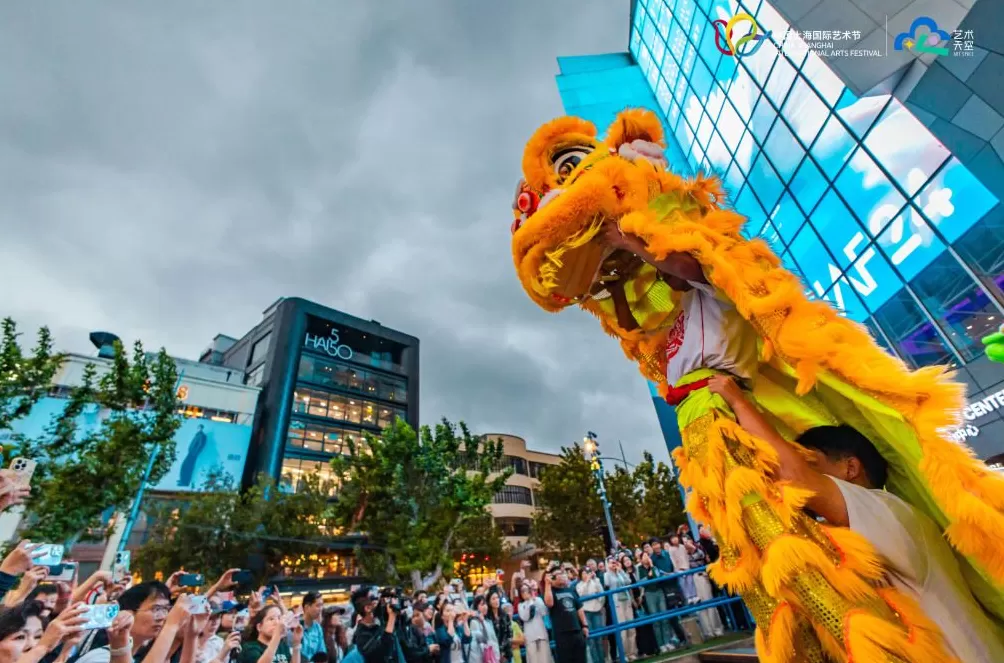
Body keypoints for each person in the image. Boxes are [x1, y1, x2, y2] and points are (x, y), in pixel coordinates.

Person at [709, 374, 1004, 663]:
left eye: (812, 463)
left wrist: (738, 402)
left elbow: (793, 477)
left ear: (850, 468)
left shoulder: (883, 508)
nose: (800, 480)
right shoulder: (865, 524)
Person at [541, 568, 587, 663]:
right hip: (562, 634)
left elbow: (579, 608)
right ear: (553, 577)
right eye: (558, 574)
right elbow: (549, 603)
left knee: (581, 659)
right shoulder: (550, 591)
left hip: (577, 631)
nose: (562, 575)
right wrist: (548, 584)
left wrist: (585, 625)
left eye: (562, 573)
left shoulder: (570, 590)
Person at [637, 553, 676, 654]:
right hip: (649, 594)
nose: (647, 558)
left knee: (665, 617)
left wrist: (652, 566)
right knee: (656, 620)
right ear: (640, 560)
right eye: (644, 557)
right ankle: (661, 644)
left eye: (647, 556)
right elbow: (641, 581)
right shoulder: (640, 569)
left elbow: (658, 575)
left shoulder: (654, 566)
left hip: (659, 591)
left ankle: (667, 642)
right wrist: (649, 575)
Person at [350, 589, 400, 663]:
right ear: (367, 608)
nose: (379, 606)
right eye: (374, 604)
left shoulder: (378, 625)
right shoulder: (361, 636)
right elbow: (382, 653)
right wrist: (392, 617)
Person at [602, 559, 635, 661]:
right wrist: (610, 570)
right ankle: (623, 653)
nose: (614, 564)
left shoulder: (620, 572)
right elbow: (607, 583)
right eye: (611, 563)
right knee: (622, 630)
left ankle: (631, 653)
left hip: (627, 602)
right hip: (617, 604)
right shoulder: (606, 575)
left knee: (631, 628)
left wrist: (620, 571)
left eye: (615, 562)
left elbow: (628, 582)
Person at [573, 566, 603, 663]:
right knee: (591, 640)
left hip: (597, 611)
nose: (586, 574)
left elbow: (601, 593)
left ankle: (602, 660)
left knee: (599, 639)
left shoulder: (595, 581)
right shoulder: (579, 585)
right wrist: (586, 582)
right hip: (586, 612)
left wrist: (595, 580)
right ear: (581, 575)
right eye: (584, 573)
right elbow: (581, 594)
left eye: (588, 572)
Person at [515, 586, 549, 663]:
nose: (525, 593)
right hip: (530, 637)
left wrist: (534, 600)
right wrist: (530, 602)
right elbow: (525, 617)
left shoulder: (538, 600)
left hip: (541, 634)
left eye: (527, 590)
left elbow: (544, 612)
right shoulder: (521, 605)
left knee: (545, 659)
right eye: (522, 591)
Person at [466, 596, 499, 663]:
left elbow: (494, 640)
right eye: (482, 604)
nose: (485, 607)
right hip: (482, 658)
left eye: (485, 604)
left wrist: (497, 656)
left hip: (493, 656)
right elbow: (480, 642)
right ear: (476, 607)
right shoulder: (474, 622)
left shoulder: (488, 621)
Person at [300, 593, 327, 662]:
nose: (321, 609)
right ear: (307, 607)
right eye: (318, 605)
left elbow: (322, 654)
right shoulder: (296, 627)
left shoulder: (318, 628)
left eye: (322, 605)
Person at [485, 593, 511, 663]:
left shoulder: (505, 615)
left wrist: (504, 654)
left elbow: (509, 634)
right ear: (489, 602)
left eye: (497, 598)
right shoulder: (487, 618)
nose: (496, 600)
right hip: (492, 653)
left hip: (505, 652)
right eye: (493, 599)